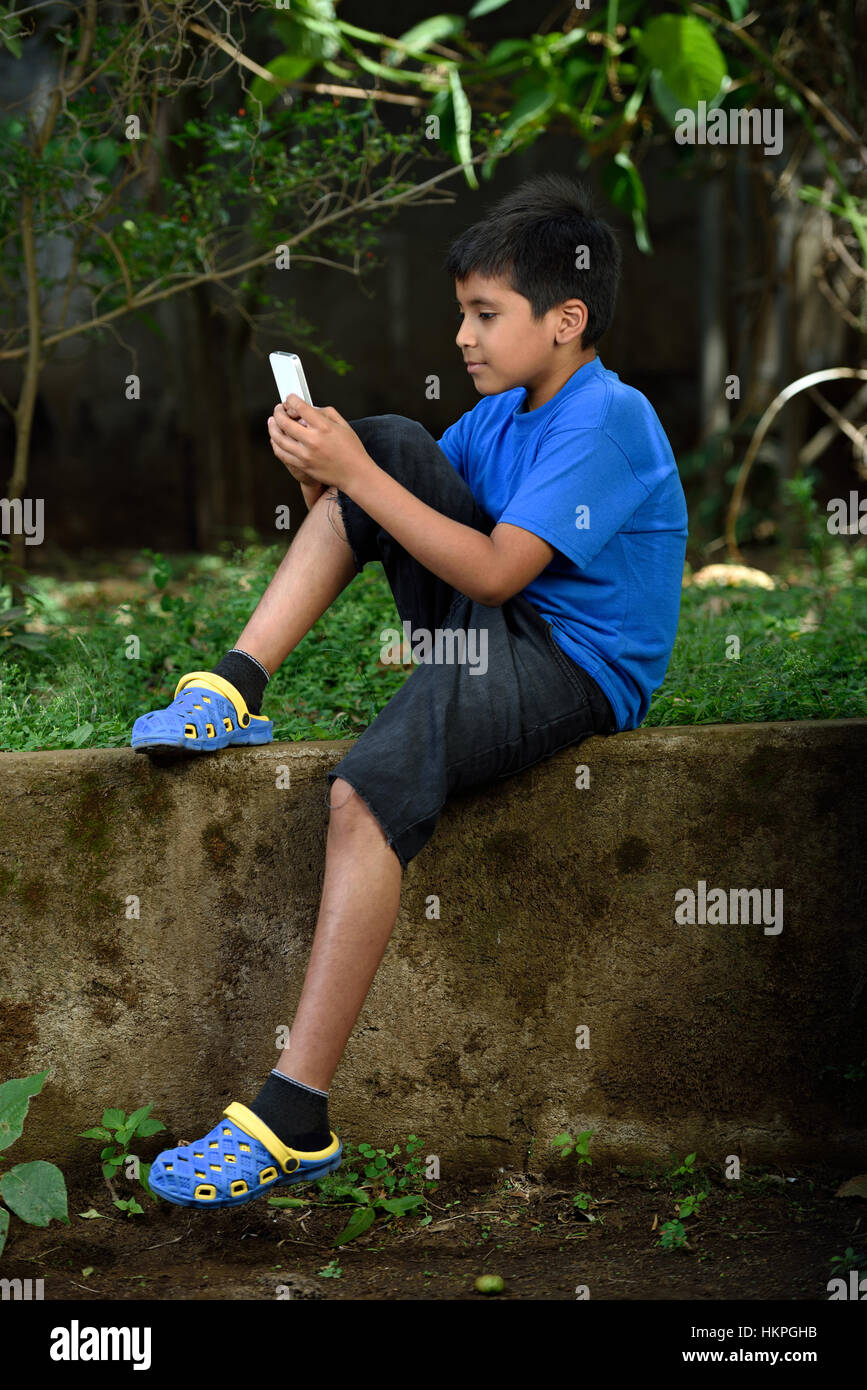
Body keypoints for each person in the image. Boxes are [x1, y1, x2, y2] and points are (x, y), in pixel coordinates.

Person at [134, 172, 688, 1208]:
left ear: (565, 320)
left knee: (367, 791)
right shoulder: (502, 412)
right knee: (385, 439)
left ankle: (293, 1115)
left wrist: (358, 476)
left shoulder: (610, 419)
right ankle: (234, 685)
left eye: (487, 314)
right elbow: (397, 514)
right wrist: (324, 470)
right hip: (490, 632)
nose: (465, 336)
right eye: (463, 313)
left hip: (569, 663)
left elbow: (492, 572)